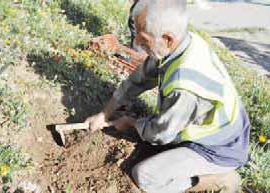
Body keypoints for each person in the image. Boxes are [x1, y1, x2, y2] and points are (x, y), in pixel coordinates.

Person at [85, 0, 250, 193]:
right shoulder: (181, 45)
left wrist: (131, 123)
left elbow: (161, 133)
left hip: (220, 148)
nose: (136, 42)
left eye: (143, 38)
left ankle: (220, 180)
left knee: (146, 176)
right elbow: (137, 81)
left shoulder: (185, 86)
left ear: (168, 38)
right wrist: (104, 114)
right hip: (218, 129)